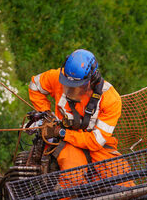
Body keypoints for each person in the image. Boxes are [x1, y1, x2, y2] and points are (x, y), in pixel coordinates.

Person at [27, 49, 127, 185]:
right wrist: (46, 114)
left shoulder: (110, 99)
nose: (70, 89)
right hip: (66, 143)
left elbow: (96, 142)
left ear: (93, 79)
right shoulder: (57, 78)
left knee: (120, 178)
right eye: (68, 84)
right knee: (74, 178)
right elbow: (35, 85)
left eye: (78, 86)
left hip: (95, 145)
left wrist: (62, 132)